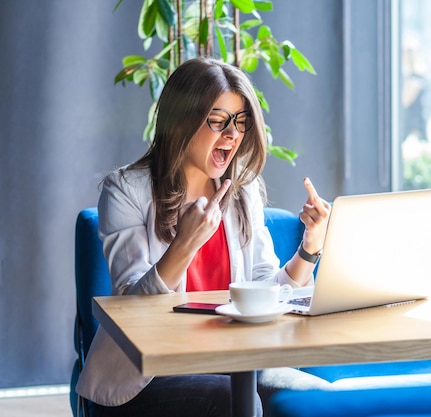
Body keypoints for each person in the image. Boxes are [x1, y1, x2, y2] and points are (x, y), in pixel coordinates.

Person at [76, 57, 331, 417]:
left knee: (318, 398)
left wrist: (310, 248)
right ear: (181, 121)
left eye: (240, 122)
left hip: (234, 362)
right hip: (147, 376)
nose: (232, 134)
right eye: (218, 120)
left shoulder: (243, 191)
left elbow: (264, 289)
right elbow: (131, 311)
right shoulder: (125, 190)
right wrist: (184, 245)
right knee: (231, 401)